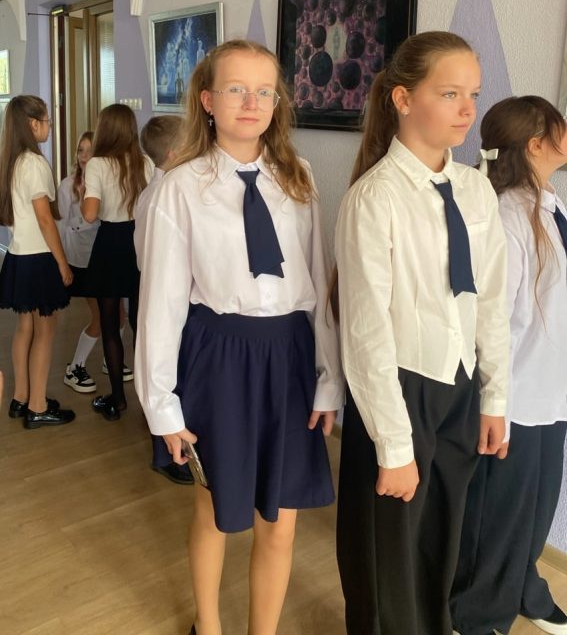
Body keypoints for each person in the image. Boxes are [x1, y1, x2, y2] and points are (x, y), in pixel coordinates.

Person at [135, 39, 343, 635]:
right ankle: (209, 627)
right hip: (218, 356)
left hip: (289, 356)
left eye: (264, 91)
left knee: (281, 518)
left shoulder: (298, 177)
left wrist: (328, 380)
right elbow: (161, 304)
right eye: (236, 89)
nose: (251, 103)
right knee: (215, 508)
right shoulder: (182, 186)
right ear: (207, 100)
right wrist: (162, 404)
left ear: (277, 102)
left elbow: (314, 284)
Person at [334, 32, 510, 635]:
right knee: (386, 550)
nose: (468, 109)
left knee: (440, 537)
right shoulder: (374, 198)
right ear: (404, 99)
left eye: (474, 94)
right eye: (450, 93)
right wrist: (394, 444)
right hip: (398, 388)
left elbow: (491, 300)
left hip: (458, 383)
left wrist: (494, 397)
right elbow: (366, 332)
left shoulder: (475, 189)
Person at [451, 96, 567, 635]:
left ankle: (524, 588)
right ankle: (475, 614)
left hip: (551, 389)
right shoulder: (505, 214)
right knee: (496, 514)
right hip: (513, 392)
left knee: (537, 508)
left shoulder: (551, 203)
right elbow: (492, 318)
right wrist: (493, 398)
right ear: (536, 143)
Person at [0, 94, 75, 428]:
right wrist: (62, 263)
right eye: (46, 119)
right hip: (38, 258)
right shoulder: (34, 163)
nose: (49, 125)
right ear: (33, 124)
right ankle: (38, 405)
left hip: (18, 255)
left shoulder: (12, 160)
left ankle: (21, 397)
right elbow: (45, 220)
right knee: (45, 331)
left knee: (25, 327)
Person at [82, 103, 152, 421]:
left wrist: (85, 196)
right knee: (142, 325)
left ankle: (118, 399)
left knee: (111, 326)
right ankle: (150, 403)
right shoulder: (145, 162)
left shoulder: (97, 164)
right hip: (140, 243)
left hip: (110, 244)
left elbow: (89, 214)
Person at [133, 113, 193, 485]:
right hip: (162, 290)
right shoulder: (163, 196)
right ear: (174, 153)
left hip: (156, 284)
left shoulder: (154, 191)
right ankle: (168, 454)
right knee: (168, 374)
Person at [58, 130, 100, 392]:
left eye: (90, 150)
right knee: (100, 316)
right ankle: (75, 367)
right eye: (80, 150)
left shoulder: (105, 181)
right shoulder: (67, 185)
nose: (84, 156)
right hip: (80, 258)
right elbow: (64, 225)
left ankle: (112, 359)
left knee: (117, 314)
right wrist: (61, 262)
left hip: (103, 256)